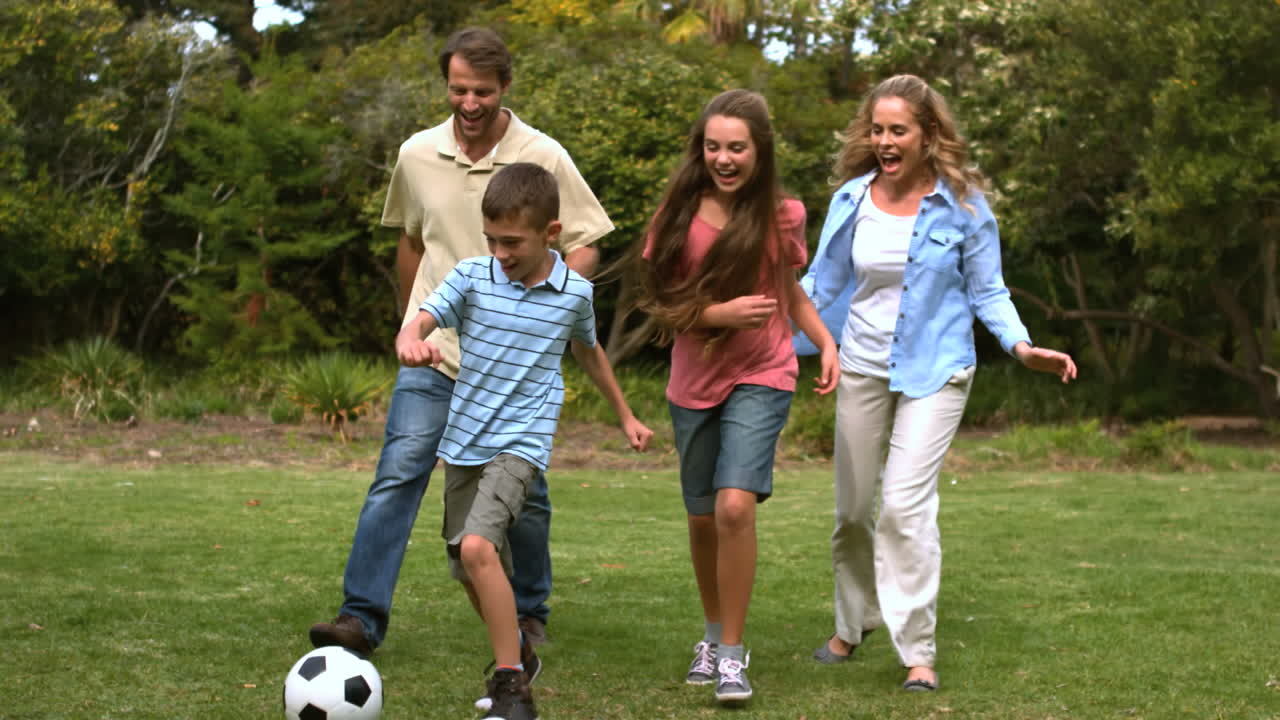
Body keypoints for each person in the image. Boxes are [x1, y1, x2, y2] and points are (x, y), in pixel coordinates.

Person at [309, 27, 613, 659]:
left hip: (514, 367)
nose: (469, 103)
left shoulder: (544, 155)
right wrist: (410, 323)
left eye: (481, 91)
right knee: (398, 473)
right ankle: (360, 617)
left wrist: (543, 311)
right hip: (438, 357)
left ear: (504, 88)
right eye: (457, 89)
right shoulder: (417, 153)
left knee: (523, 499)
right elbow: (411, 244)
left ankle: (528, 612)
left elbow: (584, 243)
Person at [794, 74, 1077, 692]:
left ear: (928, 135)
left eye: (899, 130)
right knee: (852, 511)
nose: (886, 141)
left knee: (904, 507)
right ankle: (854, 620)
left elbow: (989, 290)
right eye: (877, 129)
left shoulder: (965, 206)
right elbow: (820, 285)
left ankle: (916, 651)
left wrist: (1020, 345)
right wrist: (774, 343)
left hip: (937, 369)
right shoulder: (851, 200)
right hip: (862, 364)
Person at [396, 162, 652, 720]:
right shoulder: (471, 276)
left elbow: (589, 353)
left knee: (477, 548)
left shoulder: (573, 294)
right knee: (466, 565)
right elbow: (422, 317)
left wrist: (625, 415)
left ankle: (510, 683)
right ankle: (520, 652)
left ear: (550, 233)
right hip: (466, 438)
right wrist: (408, 338)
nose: (500, 251)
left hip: (523, 441)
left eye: (512, 242)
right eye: (492, 239)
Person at [637, 89, 839, 705]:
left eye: (737, 147)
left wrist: (825, 342)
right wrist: (720, 311)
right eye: (713, 146)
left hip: (764, 370)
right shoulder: (677, 211)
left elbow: (788, 289)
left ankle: (731, 653)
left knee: (733, 507)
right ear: (701, 150)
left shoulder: (785, 215)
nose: (724, 158)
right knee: (702, 516)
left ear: (760, 150)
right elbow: (659, 302)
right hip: (694, 379)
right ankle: (709, 632)